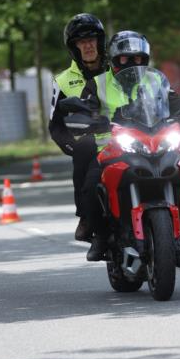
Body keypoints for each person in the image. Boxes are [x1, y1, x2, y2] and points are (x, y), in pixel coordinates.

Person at [81, 31, 180, 263]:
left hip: (155, 140)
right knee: (91, 183)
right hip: (113, 146)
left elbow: (173, 100)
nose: (132, 63)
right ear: (114, 59)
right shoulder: (98, 83)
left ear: (145, 60)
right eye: (125, 58)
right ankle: (101, 236)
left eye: (137, 59)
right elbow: (85, 108)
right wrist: (86, 117)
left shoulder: (154, 80)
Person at [49, 13, 108, 242]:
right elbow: (55, 124)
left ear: (100, 41)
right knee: (83, 151)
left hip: (124, 136)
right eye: (82, 41)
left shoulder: (117, 70)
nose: (88, 45)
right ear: (74, 47)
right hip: (90, 141)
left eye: (92, 39)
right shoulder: (62, 80)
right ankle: (86, 217)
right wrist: (73, 146)